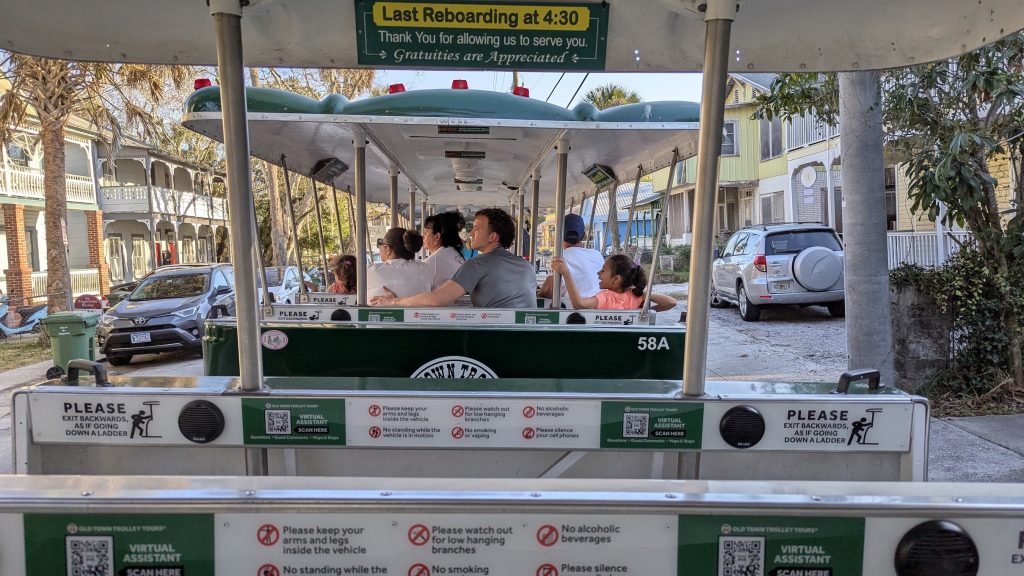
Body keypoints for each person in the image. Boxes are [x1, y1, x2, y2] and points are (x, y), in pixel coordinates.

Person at [371, 208, 535, 308]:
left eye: (477, 229)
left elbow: (437, 299)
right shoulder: (525, 265)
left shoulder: (476, 264)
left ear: (492, 237)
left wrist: (395, 302)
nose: (471, 233)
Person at [551, 254, 677, 312]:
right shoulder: (637, 298)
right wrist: (642, 295)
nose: (598, 273)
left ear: (616, 279)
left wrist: (567, 274)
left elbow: (579, 304)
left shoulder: (605, 297)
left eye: (603, 270)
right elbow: (670, 303)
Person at [537, 214, 604, 308]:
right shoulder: (597, 255)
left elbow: (550, 291)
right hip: (598, 308)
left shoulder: (559, 258)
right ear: (584, 236)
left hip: (571, 311)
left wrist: (539, 293)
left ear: (559, 235)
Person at [366, 227, 432, 298]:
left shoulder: (370, 272)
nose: (380, 248)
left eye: (381, 244)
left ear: (388, 249)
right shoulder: (424, 269)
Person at [423, 211, 466, 289]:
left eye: (426, 233)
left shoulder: (432, 262)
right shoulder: (454, 253)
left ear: (437, 237)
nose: (423, 237)